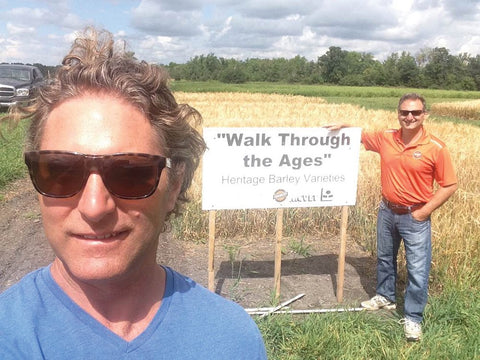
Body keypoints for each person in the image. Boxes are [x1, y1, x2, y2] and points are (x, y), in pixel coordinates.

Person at [0, 28, 267, 359]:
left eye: (131, 173)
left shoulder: (233, 341)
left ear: (174, 184)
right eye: (60, 171)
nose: (95, 207)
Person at [327, 93, 457, 341]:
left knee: (417, 271)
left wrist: (423, 212)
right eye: (404, 112)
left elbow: (449, 185)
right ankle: (385, 296)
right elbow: (361, 135)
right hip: (387, 211)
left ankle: (413, 318)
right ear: (398, 113)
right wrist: (344, 126)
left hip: (415, 216)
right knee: (385, 259)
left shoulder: (436, 147)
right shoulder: (387, 138)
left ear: (424, 115)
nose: (409, 117)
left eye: (416, 113)